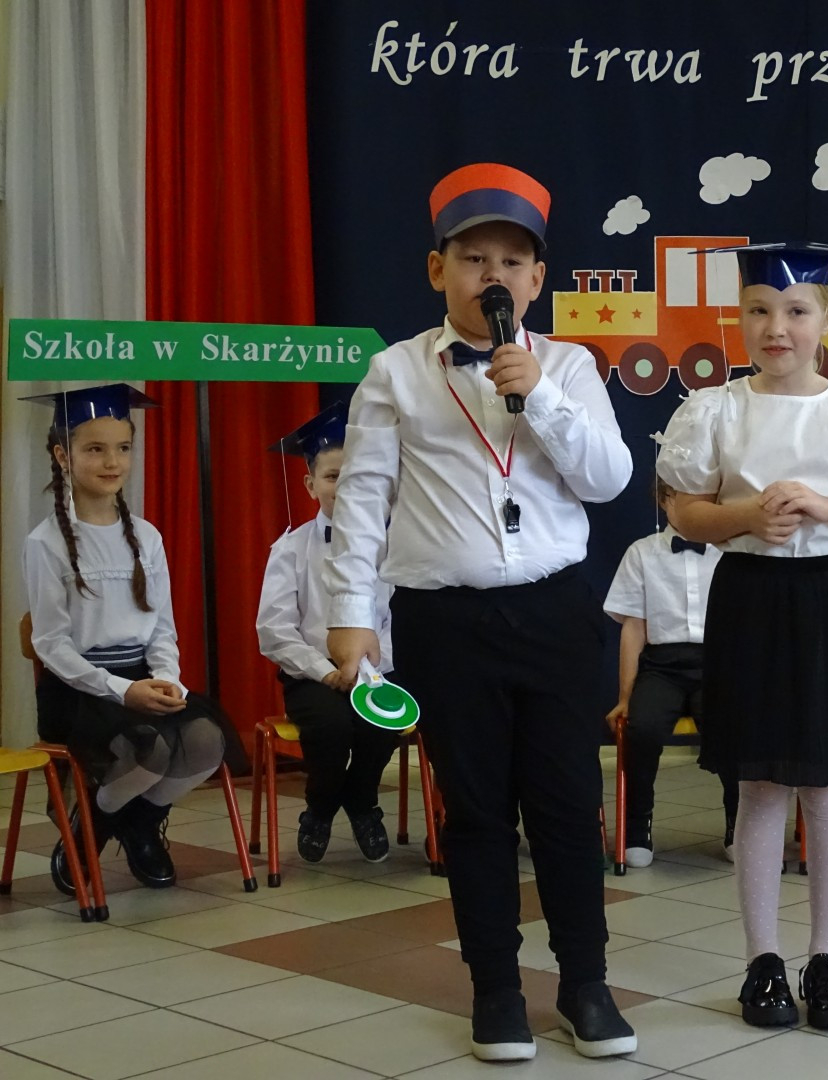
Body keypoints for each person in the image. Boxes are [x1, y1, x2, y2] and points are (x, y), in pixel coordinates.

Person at [324, 163, 637, 1062]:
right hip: (445, 621)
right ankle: (496, 990)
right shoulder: (393, 372)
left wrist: (539, 396)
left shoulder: (569, 366)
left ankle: (585, 984)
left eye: (511, 261)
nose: (491, 275)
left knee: (569, 806)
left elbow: (608, 479)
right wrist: (351, 614)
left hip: (556, 615)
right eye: (472, 258)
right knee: (476, 813)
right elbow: (363, 498)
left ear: (537, 279)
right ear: (438, 270)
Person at [657, 241, 828, 1031]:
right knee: (759, 786)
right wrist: (746, 516)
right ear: (739, 318)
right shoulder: (715, 409)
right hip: (750, 598)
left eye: (795, 311)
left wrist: (826, 507)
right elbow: (684, 511)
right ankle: (762, 961)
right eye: (758, 311)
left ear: (827, 319)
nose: (776, 327)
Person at [23, 383, 227, 891]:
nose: (112, 461)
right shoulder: (46, 543)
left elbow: (161, 628)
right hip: (80, 690)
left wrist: (166, 678)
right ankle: (89, 828)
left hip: (142, 679)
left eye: (123, 447)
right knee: (148, 748)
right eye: (95, 448)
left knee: (205, 741)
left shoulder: (147, 537)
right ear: (63, 456)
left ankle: (138, 824)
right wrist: (122, 690)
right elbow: (51, 644)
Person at [256, 402, 398, 864]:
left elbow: (398, 618)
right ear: (310, 484)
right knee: (332, 728)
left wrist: (372, 667)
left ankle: (362, 801)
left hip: (376, 672)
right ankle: (319, 809)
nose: (346, 486)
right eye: (334, 476)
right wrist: (324, 671)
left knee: (381, 725)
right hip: (313, 676)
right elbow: (274, 629)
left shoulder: (395, 546)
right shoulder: (291, 548)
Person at [603, 473, 737, 868]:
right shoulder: (642, 553)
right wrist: (625, 696)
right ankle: (637, 824)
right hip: (662, 664)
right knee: (642, 728)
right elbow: (634, 628)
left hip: (718, 662)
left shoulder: (731, 551)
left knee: (733, 727)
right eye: (681, 496)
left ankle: (739, 823)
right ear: (664, 500)